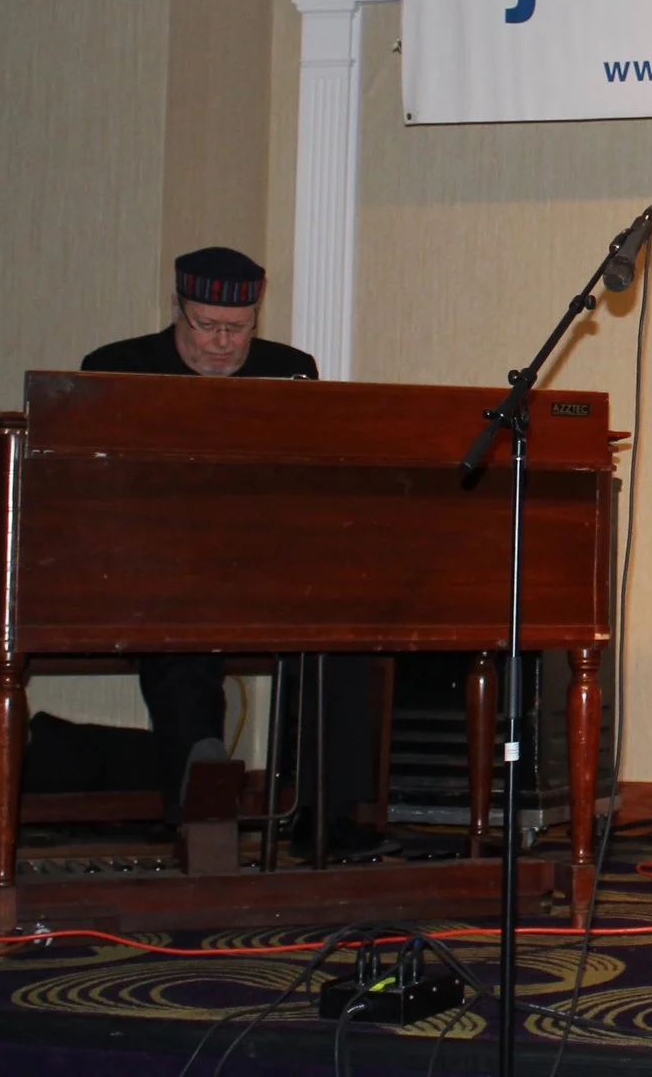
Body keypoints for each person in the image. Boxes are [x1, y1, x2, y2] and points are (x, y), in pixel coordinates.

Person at [77, 247, 388, 856]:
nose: (221, 342)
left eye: (237, 329)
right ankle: (201, 805)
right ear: (178, 312)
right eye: (206, 326)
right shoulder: (118, 368)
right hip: (155, 576)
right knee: (183, 646)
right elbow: (96, 492)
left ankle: (329, 815)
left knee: (343, 637)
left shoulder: (290, 372)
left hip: (261, 574)